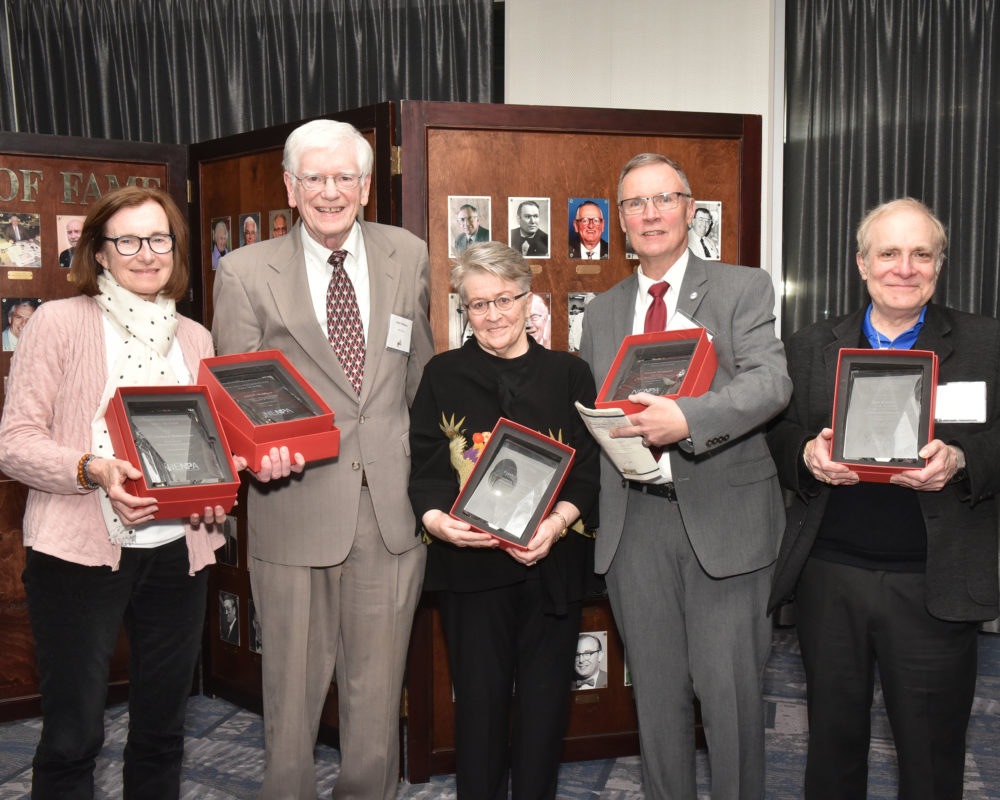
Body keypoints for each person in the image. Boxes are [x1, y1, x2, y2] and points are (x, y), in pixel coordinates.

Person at [213, 118, 434, 800]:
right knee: (290, 694)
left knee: (377, 690)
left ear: (368, 185)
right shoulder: (247, 271)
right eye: (315, 177)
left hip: (390, 513)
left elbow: (422, 376)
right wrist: (257, 454)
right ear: (290, 185)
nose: (330, 191)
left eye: (345, 177)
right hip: (294, 503)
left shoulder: (409, 254)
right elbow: (237, 389)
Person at [0, 186, 234, 799]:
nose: (147, 253)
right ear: (99, 253)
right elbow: (15, 442)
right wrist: (94, 469)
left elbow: (200, 447)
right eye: (127, 240)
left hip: (178, 554)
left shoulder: (195, 338)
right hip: (79, 552)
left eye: (159, 238)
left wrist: (216, 486)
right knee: (73, 734)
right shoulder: (58, 323)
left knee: (163, 728)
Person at [766, 197, 1000, 800]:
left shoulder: (986, 343)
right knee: (832, 747)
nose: (905, 267)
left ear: (939, 264)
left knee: (930, 756)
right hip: (831, 576)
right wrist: (805, 456)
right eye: (889, 253)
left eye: (921, 253)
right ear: (862, 264)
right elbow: (778, 431)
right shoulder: (810, 344)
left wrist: (964, 459)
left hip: (935, 581)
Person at [579, 152, 791, 799]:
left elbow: (770, 384)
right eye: (635, 204)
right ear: (620, 221)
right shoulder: (604, 311)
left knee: (729, 702)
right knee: (658, 696)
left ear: (689, 209)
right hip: (634, 523)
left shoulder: (740, 287)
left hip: (725, 524)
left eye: (663, 199)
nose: (650, 214)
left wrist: (686, 419)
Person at [408, 241, 600, 800]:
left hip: (552, 562)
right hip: (470, 572)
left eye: (504, 300)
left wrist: (557, 524)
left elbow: (588, 472)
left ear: (527, 298)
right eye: (477, 305)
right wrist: (439, 521)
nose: (493, 315)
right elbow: (424, 467)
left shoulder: (570, 374)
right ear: (462, 310)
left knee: (544, 714)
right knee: (480, 711)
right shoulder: (442, 374)